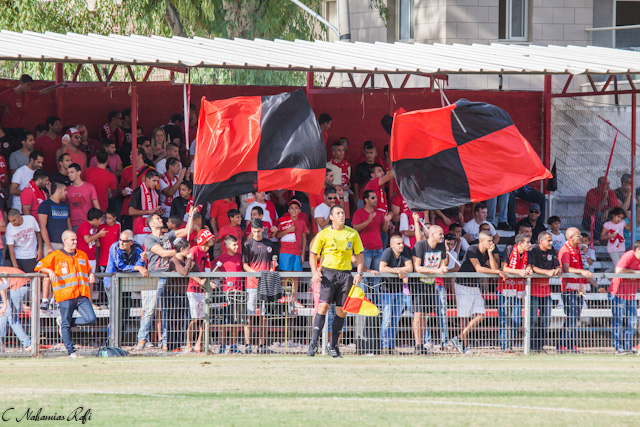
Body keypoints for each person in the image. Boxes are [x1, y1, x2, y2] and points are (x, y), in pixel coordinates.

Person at [307, 205, 365, 358]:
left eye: (343, 213)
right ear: (331, 217)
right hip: (328, 274)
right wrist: (314, 272)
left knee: (341, 311)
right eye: (338, 213)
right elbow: (313, 254)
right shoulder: (323, 234)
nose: (341, 215)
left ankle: (333, 346)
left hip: (345, 275)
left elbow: (359, 254)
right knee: (323, 306)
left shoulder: (352, 233)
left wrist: (359, 273)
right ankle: (314, 343)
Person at [34, 230, 96, 358]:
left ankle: (64, 323)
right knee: (66, 324)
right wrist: (50, 271)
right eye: (72, 240)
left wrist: (91, 274)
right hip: (65, 296)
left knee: (91, 319)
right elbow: (39, 266)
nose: (75, 242)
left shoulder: (82, 255)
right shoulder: (56, 255)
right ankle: (71, 352)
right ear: (65, 241)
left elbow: (88, 269)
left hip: (81, 295)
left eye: (76, 239)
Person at [136, 212, 191, 350]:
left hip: (168, 277)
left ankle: (165, 341)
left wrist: (190, 216)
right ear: (151, 224)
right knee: (150, 309)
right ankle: (142, 339)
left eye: (160, 218)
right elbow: (163, 253)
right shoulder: (149, 239)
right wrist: (180, 252)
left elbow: (186, 231)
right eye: (157, 218)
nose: (161, 219)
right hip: (155, 276)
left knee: (167, 311)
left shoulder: (167, 236)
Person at [450, 231, 507, 354]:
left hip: (474, 286)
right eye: (489, 241)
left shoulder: (487, 252)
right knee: (464, 317)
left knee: (481, 314)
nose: (491, 243)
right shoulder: (472, 249)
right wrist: (498, 272)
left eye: (492, 240)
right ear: (481, 241)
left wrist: (490, 253)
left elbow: (493, 268)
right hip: (462, 285)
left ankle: (459, 337)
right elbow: (479, 268)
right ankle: (464, 346)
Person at [413, 224, 450, 353]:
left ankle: (422, 344)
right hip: (418, 283)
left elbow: (443, 264)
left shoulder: (441, 246)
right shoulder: (420, 245)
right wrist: (436, 270)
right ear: (432, 234)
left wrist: (442, 268)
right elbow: (417, 267)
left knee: (425, 315)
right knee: (418, 314)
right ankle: (417, 344)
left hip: (431, 283)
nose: (442, 236)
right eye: (440, 234)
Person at [557, 227, 594, 353]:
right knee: (572, 317)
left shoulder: (578, 249)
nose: (581, 237)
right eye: (578, 235)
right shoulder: (565, 250)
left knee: (575, 317)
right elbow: (566, 269)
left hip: (579, 287)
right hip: (569, 288)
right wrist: (582, 271)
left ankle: (571, 345)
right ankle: (562, 345)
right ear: (571, 238)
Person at [242, 218, 275, 354]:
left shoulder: (269, 244)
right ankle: (248, 345)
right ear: (251, 230)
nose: (256, 234)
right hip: (251, 284)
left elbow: (273, 262)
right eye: (254, 231)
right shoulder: (247, 244)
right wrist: (255, 274)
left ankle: (262, 345)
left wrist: (270, 272)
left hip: (265, 284)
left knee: (264, 315)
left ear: (263, 229)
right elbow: (245, 265)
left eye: (258, 231)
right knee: (249, 314)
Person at [166, 238, 204, 352]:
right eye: (188, 249)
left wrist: (190, 261)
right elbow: (184, 272)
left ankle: (180, 345)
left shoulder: (186, 260)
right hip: (172, 294)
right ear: (182, 249)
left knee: (184, 320)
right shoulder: (174, 260)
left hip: (183, 294)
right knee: (173, 320)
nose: (189, 251)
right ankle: (172, 346)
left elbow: (196, 269)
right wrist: (189, 260)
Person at [352, 190, 392, 295]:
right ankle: (362, 302)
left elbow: (384, 230)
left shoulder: (379, 214)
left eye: (376, 197)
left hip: (378, 249)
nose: (376, 199)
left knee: (376, 278)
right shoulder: (359, 213)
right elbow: (355, 228)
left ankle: (375, 302)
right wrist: (368, 221)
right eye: (373, 198)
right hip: (364, 250)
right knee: (363, 277)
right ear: (366, 200)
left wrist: (386, 221)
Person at [378, 235, 413, 355]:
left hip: (399, 291)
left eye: (402, 243)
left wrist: (396, 269)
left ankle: (391, 346)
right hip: (386, 291)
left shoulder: (406, 251)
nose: (401, 245)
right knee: (387, 320)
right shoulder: (387, 252)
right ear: (391, 245)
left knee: (395, 320)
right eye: (398, 244)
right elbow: (382, 268)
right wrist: (398, 271)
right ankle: (385, 346)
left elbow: (410, 267)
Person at [528, 231, 562, 353]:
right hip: (532, 291)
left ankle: (540, 346)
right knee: (532, 320)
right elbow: (532, 267)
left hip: (546, 292)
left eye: (551, 240)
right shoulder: (533, 249)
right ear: (541, 241)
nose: (551, 243)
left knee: (545, 320)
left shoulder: (552, 250)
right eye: (549, 240)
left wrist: (558, 270)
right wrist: (547, 272)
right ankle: (531, 346)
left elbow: (557, 266)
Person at [498, 234, 532, 353]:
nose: (530, 245)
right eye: (527, 242)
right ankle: (504, 346)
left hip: (518, 290)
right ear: (520, 244)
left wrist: (528, 270)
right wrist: (519, 272)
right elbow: (504, 268)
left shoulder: (528, 253)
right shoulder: (509, 249)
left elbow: (528, 265)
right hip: (505, 289)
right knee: (504, 319)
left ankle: (510, 344)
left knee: (516, 320)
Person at [186, 229, 215, 353]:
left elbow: (207, 271)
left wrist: (209, 282)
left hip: (202, 290)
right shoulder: (194, 250)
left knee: (204, 318)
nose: (213, 239)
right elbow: (188, 269)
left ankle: (199, 344)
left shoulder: (206, 253)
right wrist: (200, 280)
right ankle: (188, 344)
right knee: (194, 319)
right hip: (193, 289)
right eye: (210, 238)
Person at [214, 235, 244, 354]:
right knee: (223, 321)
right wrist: (220, 276)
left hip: (238, 292)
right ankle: (222, 346)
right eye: (234, 245)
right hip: (225, 293)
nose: (236, 247)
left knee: (235, 321)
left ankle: (233, 346)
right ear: (227, 246)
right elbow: (212, 268)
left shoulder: (240, 257)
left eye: (237, 244)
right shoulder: (222, 258)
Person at [275, 199, 309, 306]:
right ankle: (285, 299)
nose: (294, 210)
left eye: (296, 208)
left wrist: (303, 254)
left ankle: (294, 299)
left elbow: (304, 238)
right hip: (285, 251)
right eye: (292, 208)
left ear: (300, 210)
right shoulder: (283, 221)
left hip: (297, 252)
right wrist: (288, 230)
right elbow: (277, 235)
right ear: (288, 210)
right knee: (285, 275)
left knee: (296, 277)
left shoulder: (302, 222)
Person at [609, 240, 640, 354]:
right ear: (637, 250)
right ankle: (618, 348)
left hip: (631, 294)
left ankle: (628, 346)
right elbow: (618, 270)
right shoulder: (629, 255)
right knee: (618, 320)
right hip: (618, 293)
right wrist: (635, 273)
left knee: (632, 321)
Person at [103, 230, 148, 306]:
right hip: (112, 282)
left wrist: (142, 260)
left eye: (124, 241)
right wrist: (137, 267)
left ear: (131, 242)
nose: (121, 243)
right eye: (120, 240)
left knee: (126, 307)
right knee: (115, 308)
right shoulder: (115, 247)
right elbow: (120, 267)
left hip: (127, 281)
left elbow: (140, 265)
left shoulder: (138, 247)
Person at [0, 266, 32, 351]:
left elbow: (1, 288)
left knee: (12, 318)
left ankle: (27, 344)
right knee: (5, 315)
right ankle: (1, 343)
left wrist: (4, 304)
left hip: (18, 287)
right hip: (26, 285)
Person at [128, 169, 163, 245]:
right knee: (140, 249)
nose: (156, 183)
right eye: (154, 181)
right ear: (147, 179)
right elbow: (131, 211)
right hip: (140, 228)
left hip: (153, 228)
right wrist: (149, 211)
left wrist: (158, 212)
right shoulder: (138, 191)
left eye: (157, 181)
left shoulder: (156, 193)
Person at [38, 181, 71, 256]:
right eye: (64, 190)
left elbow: (69, 225)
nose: (66, 192)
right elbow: (42, 227)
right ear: (58, 190)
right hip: (52, 244)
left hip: (65, 244)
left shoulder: (65, 206)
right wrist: (48, 246)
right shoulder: (44, 205)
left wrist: (70, 242)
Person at [66, 163, 100, 231]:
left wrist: (97, 222)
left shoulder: (90, 187)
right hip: (72, 224)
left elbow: (97, 207)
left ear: (79, 172)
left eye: (72, 172)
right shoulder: (67, 189)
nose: (69, 175)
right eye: (68, 173)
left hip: (87, 223)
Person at [601, 207, 631, 271]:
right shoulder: (607, 224)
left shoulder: (622, 222)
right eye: (618, 217)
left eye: (621, 218)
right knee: (618, 266)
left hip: (622, 247)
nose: (619, 219)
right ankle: (608, 273)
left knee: (622, 265)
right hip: (612, 248)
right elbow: (602, 237)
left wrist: (631, 218)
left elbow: (630, 228)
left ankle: (607, 272)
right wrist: (610, 236)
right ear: (613, 215)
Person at [76, 208, 106, 272]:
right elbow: (87, 239)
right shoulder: (84, 225)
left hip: (91, 256)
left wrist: (97, 241)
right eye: (100, 219)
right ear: (95, 220)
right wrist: (99, 234)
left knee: (91, 276)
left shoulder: (94, 226)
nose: (101, 221)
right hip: (82, 257)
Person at [97, 207, 121, 273]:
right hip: (102, 256)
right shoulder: (100, 225)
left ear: (114, 218)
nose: (107, 220)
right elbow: (97, 238)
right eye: (106, 217)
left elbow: (119, 238)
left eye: (109, 218)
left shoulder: (118, 225)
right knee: (103, 275)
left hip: (113, 255)